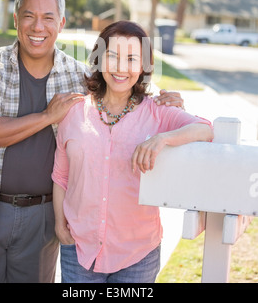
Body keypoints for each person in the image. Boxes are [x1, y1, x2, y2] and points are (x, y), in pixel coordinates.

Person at [0, 0, 184, 283]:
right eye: (28, 16)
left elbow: (122, 87)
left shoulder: (78, 77)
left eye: (48, 17)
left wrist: (166, 101)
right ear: (15, 19)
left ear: (61, 23)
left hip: (42, 219)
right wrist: (45, 117)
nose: (38, 26)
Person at [52, 20, 213, 284]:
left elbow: (206, 129)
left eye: (131, 59)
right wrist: (60, 224)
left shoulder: (157, 112)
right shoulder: (73, 111)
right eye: (112, 56)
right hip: (79, 248)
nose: (121, 68)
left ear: (143, 66)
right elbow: (61, 176)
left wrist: (162, 138)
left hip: (137, 254)